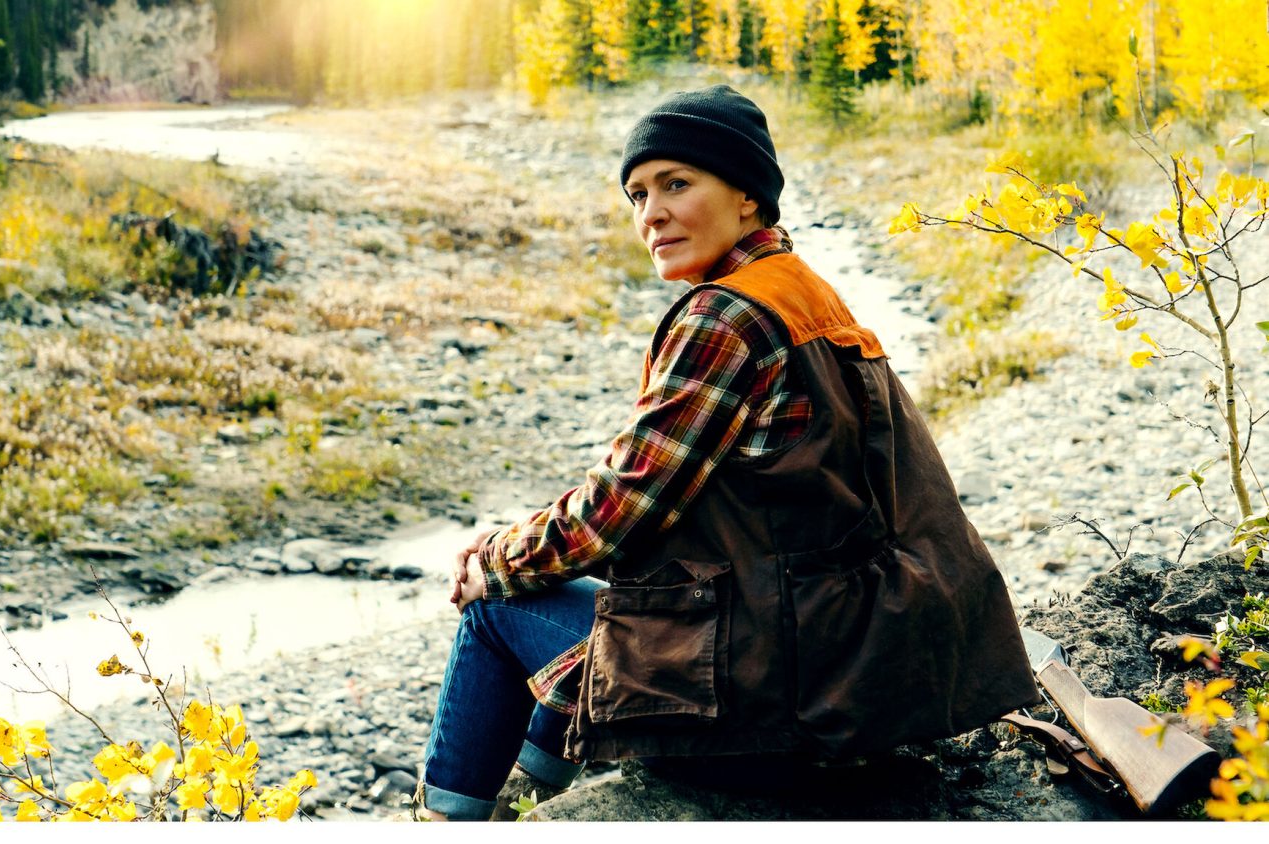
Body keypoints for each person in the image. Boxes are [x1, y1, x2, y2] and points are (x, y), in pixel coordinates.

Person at [413, 85, 1040, 822]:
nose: (651, 214)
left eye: (676, 184)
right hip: (855, 679)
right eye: (637, 194)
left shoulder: (726, 318)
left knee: (495, 608)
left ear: (748, 196)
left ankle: (451, 823)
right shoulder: (806, 294)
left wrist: (493, 559)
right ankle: (534, 804)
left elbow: (616, 512)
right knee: (586, 601)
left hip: (772, 707)